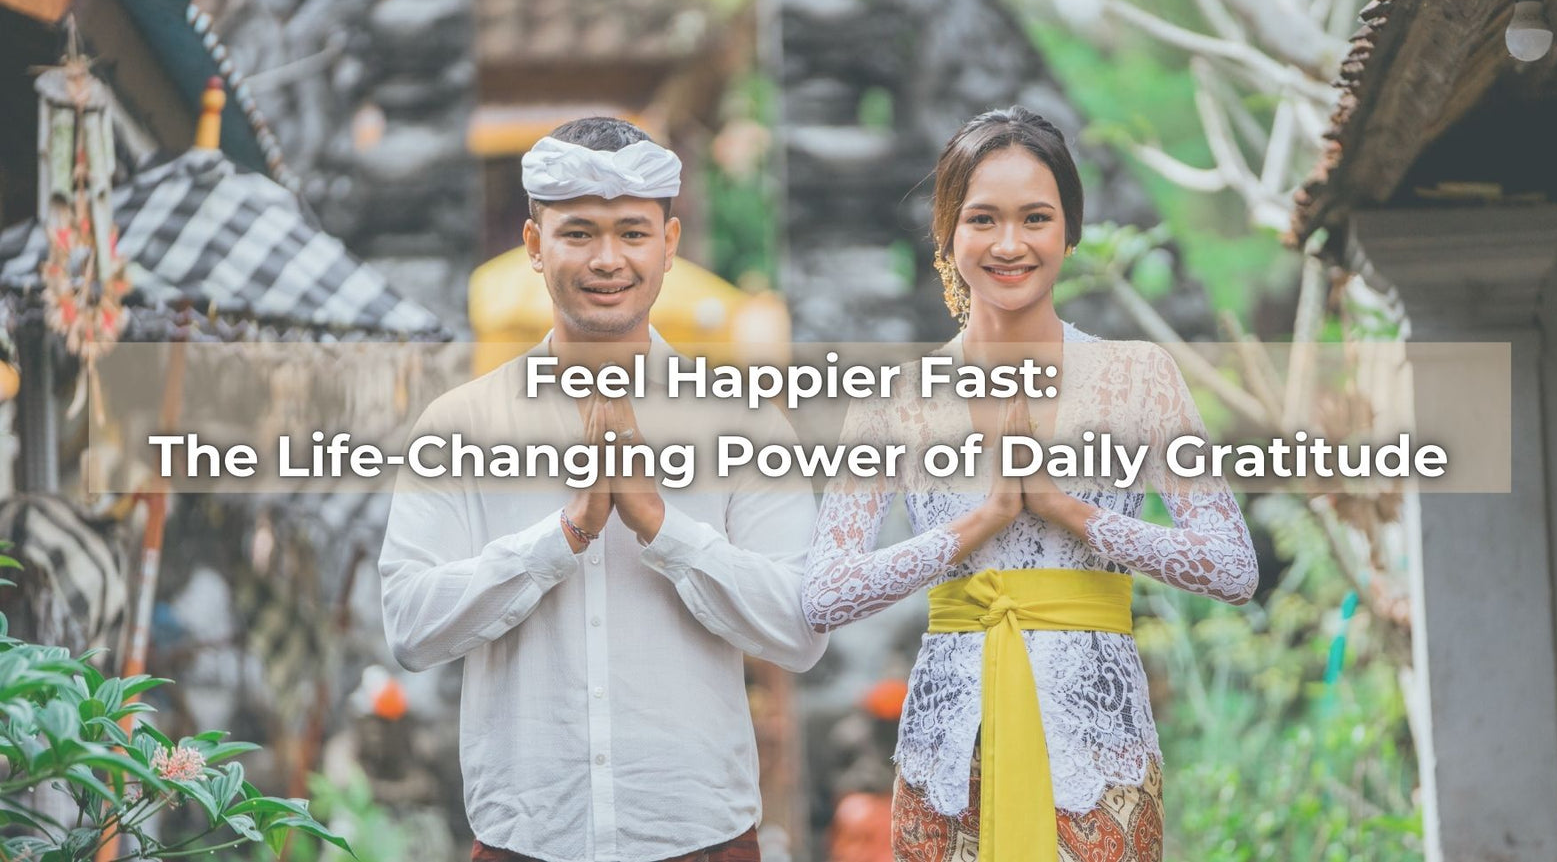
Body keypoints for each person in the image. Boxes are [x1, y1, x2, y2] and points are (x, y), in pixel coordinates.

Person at [802, 106, 1259, 862]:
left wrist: (1069, 510)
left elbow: (1233, 565)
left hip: (1099, 754)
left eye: (1036, 218)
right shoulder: (897, 397)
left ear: (1070, 233)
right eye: (983, 218)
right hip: (949, 753)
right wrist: (973, 526)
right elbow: (825, 592)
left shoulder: (1136, 378)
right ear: (948, 233)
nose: (1009, 244)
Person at [378, 117, 826, 862]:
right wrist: (564, 534)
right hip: (526, 841)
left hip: (702, 839)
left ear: (670, 243)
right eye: (578, 232)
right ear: (532, 244)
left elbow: (803, 628)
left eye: (632, 233)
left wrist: (661, 525)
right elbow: (410, 626)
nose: (608, 258)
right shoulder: (459, 423)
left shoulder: (745, 420)